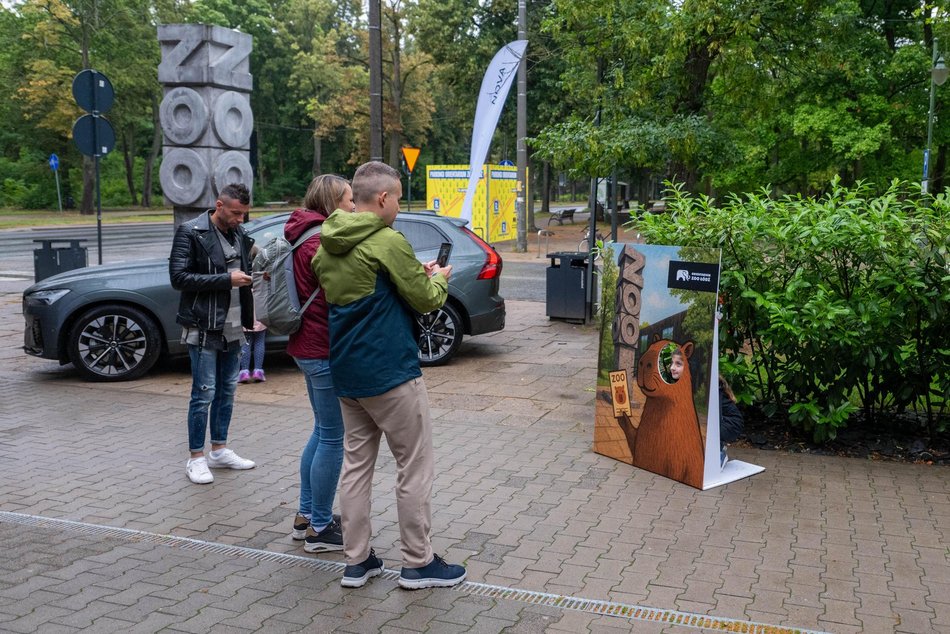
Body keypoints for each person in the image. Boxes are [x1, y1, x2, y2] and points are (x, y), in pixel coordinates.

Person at [313, 161, 466, 590]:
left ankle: (356, 561)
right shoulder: (387, 240)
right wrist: (439, 280)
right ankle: (418, 563)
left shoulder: (326, 245)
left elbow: (361, 296)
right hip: (391, 373)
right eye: (397, 198)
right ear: (383, 198)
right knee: (414, 467)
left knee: (356, 467)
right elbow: (426, 301)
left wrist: (411, 279)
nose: (399, 206)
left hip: (347, 373)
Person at [169, 183, 257, 485]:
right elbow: (179, 278)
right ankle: (196, 457)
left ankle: (219, 450)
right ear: (219, 206)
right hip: (203, 324)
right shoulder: (190, 232)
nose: (240, 219)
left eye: (244, 214)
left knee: (227, 390)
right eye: (236, 213)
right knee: (204, 392)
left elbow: (245, 265)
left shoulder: (238, 232)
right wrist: (226, 279)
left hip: (234, 323)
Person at [285, 174, 355, 553]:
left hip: (305, 345)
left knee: (321, 430)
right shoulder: (319, 241)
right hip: (322, 347)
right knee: (331, 436)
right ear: (331, 203)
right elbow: (337, 294)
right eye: (348, 200)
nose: (353, 206)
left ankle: (306, 515)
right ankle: (320, 528)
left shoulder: (301, 233)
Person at [719, 375, 744, 468]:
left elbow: (716, 416)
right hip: (725, 421)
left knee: (709, 427)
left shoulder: (716, 390)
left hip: (732, 425)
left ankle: (720, 452)